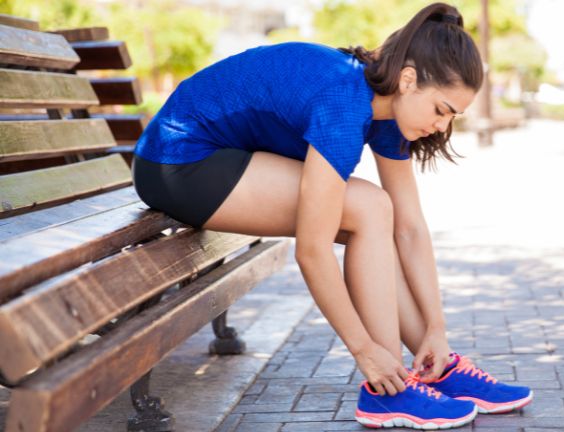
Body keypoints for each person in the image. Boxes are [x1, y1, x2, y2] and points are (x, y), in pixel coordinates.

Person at [132, 3, 532, 429]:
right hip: (177, 162)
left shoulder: (387, 106)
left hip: (228, 159)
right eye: (441, 109)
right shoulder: (344, 100)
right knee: (369, 207)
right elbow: (312, 250)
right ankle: (387, 387)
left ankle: (439, 366)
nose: (442, 126)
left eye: (452, 117)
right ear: (409, 79)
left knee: (377, 213)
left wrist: (436, 328)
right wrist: (364, 351)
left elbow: (410, 228)